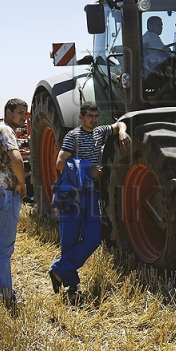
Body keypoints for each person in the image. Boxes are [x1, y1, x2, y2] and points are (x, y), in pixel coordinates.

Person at [49, 101, 131, 295]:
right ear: (81, 117)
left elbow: (119, 124)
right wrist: (89, 168)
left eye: (96, 117)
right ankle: (72, 285)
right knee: (69, 240)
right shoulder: (73, 136)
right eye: (89, 117)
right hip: (71, 194)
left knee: (94, 238)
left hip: (90, 191)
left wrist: (122, 132)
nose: (93, 120)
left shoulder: (99, 132)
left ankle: (58, 271)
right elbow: (60, 164)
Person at [0, 98, 28, 306]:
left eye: (26, 113)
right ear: (8, 112)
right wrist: (22, 183)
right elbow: (17, 159)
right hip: (6, 193)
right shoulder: (7, 131)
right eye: (20, 112)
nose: (24, 117)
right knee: (4, 249)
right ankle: (7, 296)